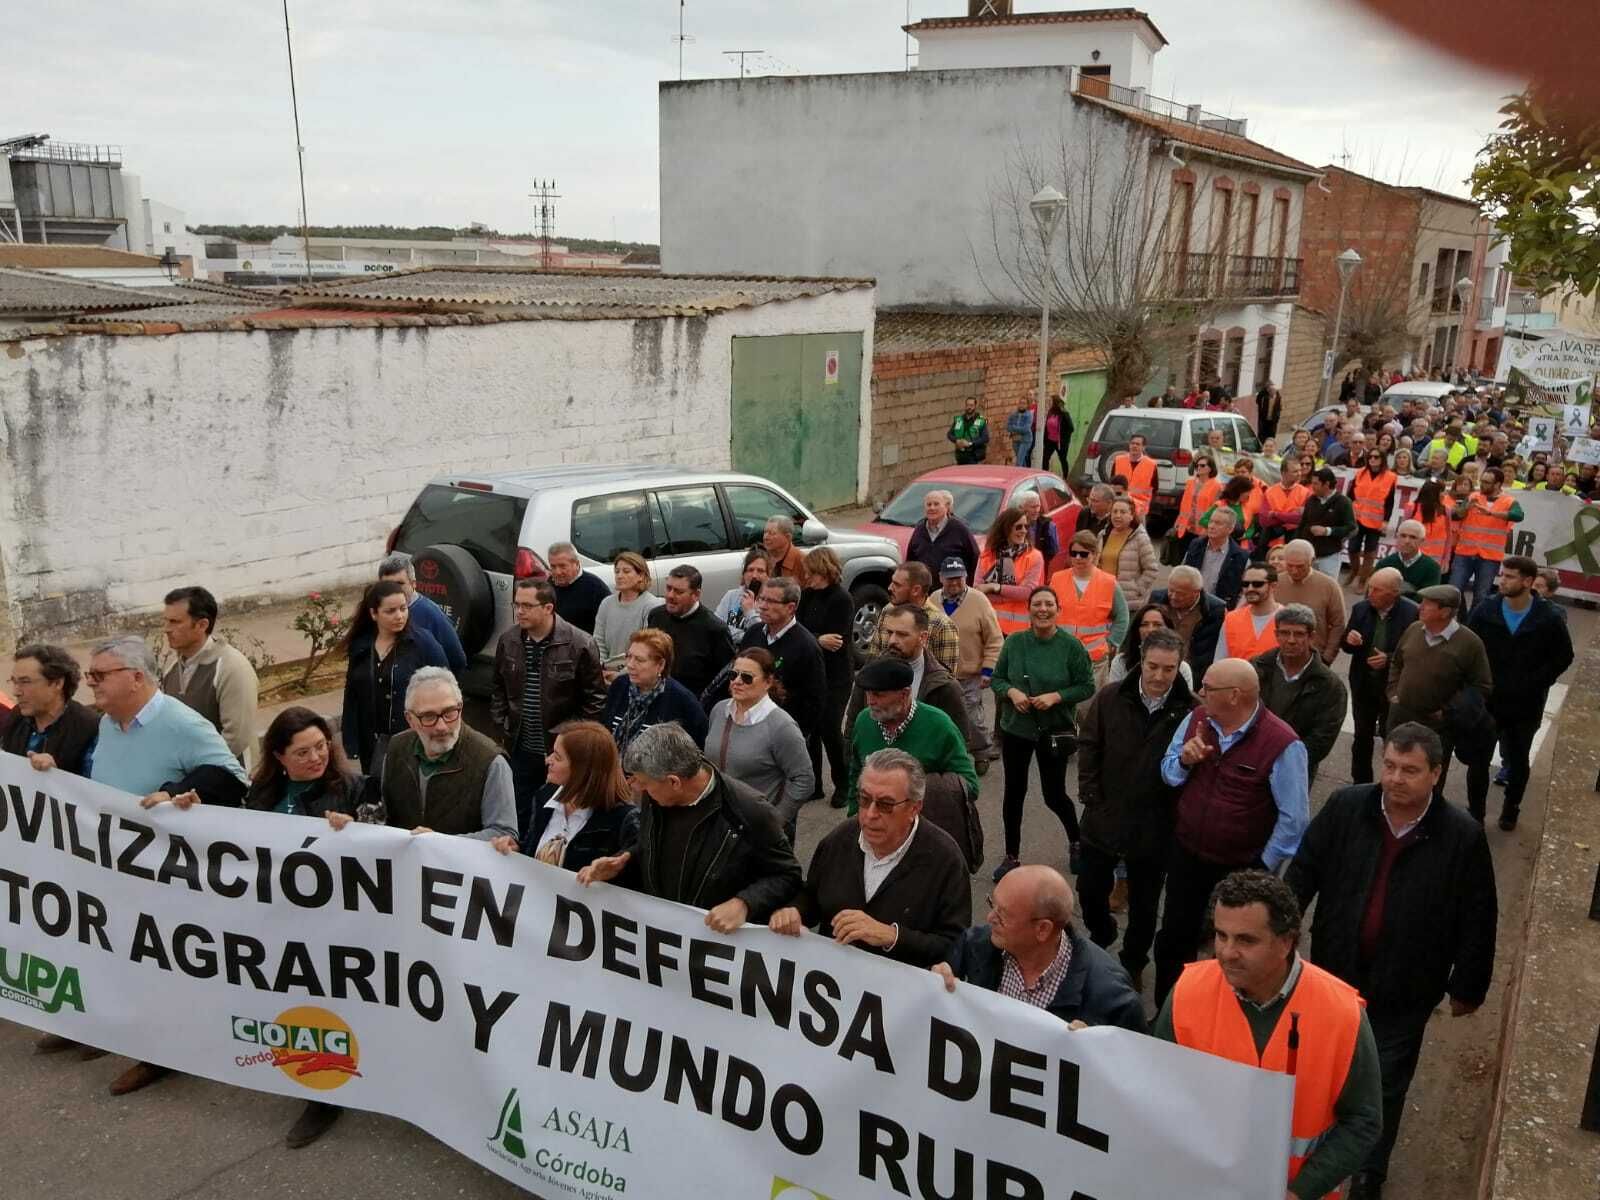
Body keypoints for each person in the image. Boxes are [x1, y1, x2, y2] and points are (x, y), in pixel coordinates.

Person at [1287, 724, 1497, 1200]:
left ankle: (1367, 1175)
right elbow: (1306, 868)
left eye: (1410, 770)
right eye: (1390, 766)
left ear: (1437, 774)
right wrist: (1283, 929)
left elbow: (1478, 917)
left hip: (1405, 988)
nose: (1397, 778)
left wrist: (1468, 986)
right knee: (1326, 1071)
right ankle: (1317, 1157)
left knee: (1382, 1086)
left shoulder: (1460, 837)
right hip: (1336, 977)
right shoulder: (1347, 808)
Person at [80, 636, 248, 1098]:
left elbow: (232, 779)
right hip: (119, 867)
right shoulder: (111, 724)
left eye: (100, 674)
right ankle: (129, 1034)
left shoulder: (180, 723)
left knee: (161, 961)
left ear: (135, 677)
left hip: (169, 872)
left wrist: (175, 790)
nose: (90, 683)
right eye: (89, 675)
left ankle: (163, 1054)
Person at [1156, 871, 1382, 1200]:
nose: (1227, 952)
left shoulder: (1342, 1014)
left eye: (1246, 940)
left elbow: (1364, 1121)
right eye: (1221, 935)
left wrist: (1299, 1191)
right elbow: (1153, 1087)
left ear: (1286, 942)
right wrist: (1096, 1049)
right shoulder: (1187, 993)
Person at [1152, 657, 1309, 1004]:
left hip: (1239, 867)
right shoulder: (1197, 721)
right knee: (1174, 939)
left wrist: (1260, 869)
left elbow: (1293, 819)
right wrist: (1184, 761)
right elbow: (1167, 772)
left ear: (1235, 695)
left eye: (1208, 688)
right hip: (1188, 855)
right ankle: (1170, 1012)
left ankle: (1221, 1017)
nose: (1200, 694)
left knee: (1231, 949)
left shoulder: (1282, 744)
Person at [577, 723, 802, 931]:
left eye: (643, 783)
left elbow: (787, 875)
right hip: (665, 935)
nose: (637, 789)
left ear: (674, 782)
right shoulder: (657, 795)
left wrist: (744, 903)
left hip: (715, 945)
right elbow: (651, 846)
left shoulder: (750, 811)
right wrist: (622, 861)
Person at [769, 749, 971, 966]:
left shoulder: (946, 861)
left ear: (914, 808)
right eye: (864, 800)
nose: (870, 814)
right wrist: (794, 912)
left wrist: (891, 936)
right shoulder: (838, 841)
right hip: (834, 986)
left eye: (885, 805)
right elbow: (812, 897)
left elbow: (955, 947)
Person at [1077, 628, 1194, 991]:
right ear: (1140, 662)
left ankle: (1132, 963)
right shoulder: (1111, 697)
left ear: (1179, 668)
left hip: (1155, 827)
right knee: (1090, 891)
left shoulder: (1190, 712)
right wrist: (1091, 795)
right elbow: (1090, 744)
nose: (1160, 676)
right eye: (1153, 666)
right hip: (1104, 817)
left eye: (1169, 669)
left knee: (1145, 906)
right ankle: (1102, 931)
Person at [933, 865, 1147, 1031]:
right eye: (992, 904)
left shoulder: (1112, 998)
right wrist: (934, 983)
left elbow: (1134, 1073)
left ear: (1043, 929)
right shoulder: (974, 945)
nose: (990, 918)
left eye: (1003, 914)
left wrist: (1096, 1054)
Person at [990, 585, 1097, 881]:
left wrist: (1057, 696)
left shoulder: (1072, 647)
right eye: (1037, 604)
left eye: (1049, 604)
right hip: (1017, 729)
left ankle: (1077, 841)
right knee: (1014, 792)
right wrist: (1011, 692)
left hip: (1054, 730)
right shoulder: (1015, 643)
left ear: (1058, 610)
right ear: (1029, 610)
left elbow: (1087, 686)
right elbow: (997, 678)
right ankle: (1012, 855)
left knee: (1054, 794)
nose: (1043, 609)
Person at [1466, 556, 1574, 830]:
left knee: (1518, 757)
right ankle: (1475, 813)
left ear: (1527, 582)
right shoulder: (1486, 610)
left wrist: (1537, 682)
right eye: (1503, 575)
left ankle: (1511, 807)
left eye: (1510, 576)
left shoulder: (1547, 617)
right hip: (1489, 700)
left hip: (1526, 704)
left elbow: (1563, 656)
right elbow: (1467, 646)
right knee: (1479, 758)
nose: (1503, 580)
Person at [491, 577, 607, 833]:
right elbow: (498, 687)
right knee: (518, 811)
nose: (519, 611)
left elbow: (595, 701)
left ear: (548, 608)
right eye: (516, 605)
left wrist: (568, 740)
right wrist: (502, 723)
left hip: (559, 752)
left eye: (527, 605)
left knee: (553, 812)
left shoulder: (579, 643)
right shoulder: (509, 640)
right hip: (519, 746)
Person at [846, 656, 980, 870]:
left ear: (905, 694)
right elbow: (855, 773)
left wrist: (910, 792)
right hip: (875, 839)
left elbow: (969, 785)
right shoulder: (864, 721)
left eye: (878, 694)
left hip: (922, 844)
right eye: (868, 694)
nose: (870, 701)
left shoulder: (939, 726)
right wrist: (855, 819)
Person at [369, 667, 516, 841]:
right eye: (429, 716)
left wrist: (439, 843)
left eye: (449, 713)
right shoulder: (396, 749)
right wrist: (353, 824)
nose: (442, 726)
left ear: (460, 708)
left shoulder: (491, 762)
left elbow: (503, 834)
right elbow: (382, 816)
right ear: (410, 720)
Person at [1385, 584, 1493, 806]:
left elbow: (1481, 686)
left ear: (1445, 612)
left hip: (1435, 727)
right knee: (1393, 770)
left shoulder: (1469, 643)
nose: (1421, 607)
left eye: (1427, 604)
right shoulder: (1414, 629)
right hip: (1400, 717)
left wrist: (1447, 711)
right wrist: (1393, 692)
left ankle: (1425, 822)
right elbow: (1397, 662)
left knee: (1428, 780)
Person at [490, 720, 638, 871]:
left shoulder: (623, 820)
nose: (548, 760)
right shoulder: (544, 796)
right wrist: (518, 849)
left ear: (582, 770)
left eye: (558, 757)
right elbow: (532, 848)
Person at [340, 579, 449, 777]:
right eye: (390, 611)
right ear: (374, 614)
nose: (399, 616)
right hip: (372, 744)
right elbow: (352, 694)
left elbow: (446, 688)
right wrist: (351, 739)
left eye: (403, 608)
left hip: (413, 741)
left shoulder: (422, 643)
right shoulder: (362, 646)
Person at [705, 649, 813, 835]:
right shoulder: (719, 710)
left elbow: (804, 780)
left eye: (747, 677)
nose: (737, 681)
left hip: (756, 831)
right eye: (733, 675)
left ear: (768, 682)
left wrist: (774, 821)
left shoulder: (781, 726)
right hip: (718, 825)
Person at [844, 603, 973, 751]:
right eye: (889, 632)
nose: (892, 640)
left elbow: (960, 746)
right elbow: (851, 730)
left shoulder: (944, 686)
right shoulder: (869, 674)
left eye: (902, 634)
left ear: (923, 637)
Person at [160, 585, 261, 770]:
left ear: (202, 625)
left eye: (175, 622)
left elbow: (236, 737)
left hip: (231, 776)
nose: (166, 629)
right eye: (166, 621)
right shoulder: (171, 669)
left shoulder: (232, 668)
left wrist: (200, 771)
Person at [1254, 604, 1348, 782]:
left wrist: (1282, 761)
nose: (1291, 640)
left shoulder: (1329, 685)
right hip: (1250, 762)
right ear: (1276, 635)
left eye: (1298, 634)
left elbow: (1322, 739)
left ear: (1311, 636)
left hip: (1296, 770)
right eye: (1284, 633)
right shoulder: (1256, 667)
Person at [1342, 568, 1419, 785]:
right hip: (1363, 684)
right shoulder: (1361, 610)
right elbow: (1345, 646)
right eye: (1370, 588)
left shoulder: (1412, 614)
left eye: (1377, 590)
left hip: (1394, 688)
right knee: (1361, 738)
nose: (1371, 593)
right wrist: (1350, 640)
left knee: (1393, 738)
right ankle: (1361, 784)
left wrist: (1390, 659)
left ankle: (1393, 783)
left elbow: (1416, 653)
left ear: (1394, 593)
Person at [737, 576, 828, 741]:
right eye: (761, 599)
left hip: (784, 736)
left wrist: (794, 737)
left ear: (791, 608)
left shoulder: (807, 647)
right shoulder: (753, 634)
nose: (762, 606)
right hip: (748, 728)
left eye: (771, 601)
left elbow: (814, 702)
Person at [796, 547, 854, 803]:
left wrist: (813, 637)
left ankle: (843, 784)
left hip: (836, 676)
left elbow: (836, 640)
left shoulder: (841, 599)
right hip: (812, 674)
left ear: (825, 571)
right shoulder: (807, 596)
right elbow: (799, 628)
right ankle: (814, 784)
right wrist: (818, 638)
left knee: (831, 730)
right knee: (811, 732)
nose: (808, 577)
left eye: (812, 573)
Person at [936, 556, 1003, 766]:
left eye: (959, 578)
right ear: (940, 578)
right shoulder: (932, 599)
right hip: (940, 674)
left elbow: (994, 639)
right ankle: (951, 755)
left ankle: (981, 751)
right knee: (943, 717)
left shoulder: (979, 601)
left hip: (970, 674)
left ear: (966, 577)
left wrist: (988, 670)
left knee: (971, 716)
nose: (954, 583)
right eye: (949, 578)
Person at [601, 628, 708, 753]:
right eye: (629, 657)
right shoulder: (619, 686)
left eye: (639, 660)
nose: (630, 664)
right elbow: (605, 729)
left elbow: (696, 750)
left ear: (661, 665)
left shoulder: (682, 701)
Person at [4, 643, 98, 775]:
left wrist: (56, 776)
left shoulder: (89, 727)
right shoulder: (15, 718)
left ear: (57, 683)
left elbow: (93, 789)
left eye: (25, 682)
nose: (16, 692)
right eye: (14, 682)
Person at [1049, 530, 1130, 683]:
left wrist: (1111, 642)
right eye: (1074, 553)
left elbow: (1123, 616)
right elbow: (1046, 613)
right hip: (1060, 655)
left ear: (1094, 554)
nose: (1078, 558)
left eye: (1084, 554)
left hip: (1095, 660)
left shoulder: (1109, 583)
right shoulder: (1057, 579)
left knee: (1089, 705)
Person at [645, 564, 734, 701]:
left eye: (679, 592)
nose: (670, 596)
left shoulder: (715, 629)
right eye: (668, 588)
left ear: (696, 595)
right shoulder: (656, 616)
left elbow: (725, 679)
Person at [377, 553, 468, 674]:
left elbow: (457, 661)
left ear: (413, 584)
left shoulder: (432, 615)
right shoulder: (374, 613)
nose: (393, 590)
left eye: (400, 584)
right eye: (387, 585)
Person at [864, 561, 960, 673]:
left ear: (916, 590)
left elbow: (945, 680)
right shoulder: (888, 610)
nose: (890, 588)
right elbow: (873, 659)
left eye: (897, 585)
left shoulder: (941, 625)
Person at [1449, 467, 1522, 609]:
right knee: (1454, 590)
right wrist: (1466, 508)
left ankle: (1473, 625)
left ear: (1497, 485)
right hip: (1465, 552)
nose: (1482, 485)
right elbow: (1456, 515)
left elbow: (1518, 515)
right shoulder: (1473, 497)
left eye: (1487, 482)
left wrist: (1493, 513)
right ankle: (1462, 618)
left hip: (1489, 557)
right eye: (1482, 481)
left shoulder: (1509, 501)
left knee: (1481, 595)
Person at [1274, 539, 1348, 664]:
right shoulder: (1274, 584)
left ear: (1312, 561)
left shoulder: (1329, 586)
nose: (1294, 571)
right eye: (1290, 565)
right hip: (1277, 656)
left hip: (1314, 657)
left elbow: (1338, 624)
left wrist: (1327, 657)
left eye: (1300, 566)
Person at [976, 505, 1045, 637]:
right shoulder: (987, 555)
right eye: (1018, 527)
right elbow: (978, 590)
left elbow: (1027, 592)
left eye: (1026, 526)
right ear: (1005, 528)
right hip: (989, 628)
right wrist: (1010, 594)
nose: (1023, 531)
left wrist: (994, 587)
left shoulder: (1034, 557)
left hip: (1019, 631)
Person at [592, 551, 664, 676]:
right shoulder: (606, 603)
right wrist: (601, 668)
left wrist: (621, 675)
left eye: (626, 571)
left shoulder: (651, 606)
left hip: (637, 675)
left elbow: (648, 649)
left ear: (641, 575)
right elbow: (598, 641)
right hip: (606, 673)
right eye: (617, 571)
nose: (619, 576)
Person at [1150, 565, 1227, 680]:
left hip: (1192, 672)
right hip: (1158, 666)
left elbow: (1207, 653)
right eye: (1171, 590)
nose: (1174, 597)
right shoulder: (1157, 599)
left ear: (1196, 593)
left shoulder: (1215, 610)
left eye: (1181, 593)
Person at [1347, 449, 1400, 588]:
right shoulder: (1360, 473)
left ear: (1382, 459)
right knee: (1353, 548)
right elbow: (1350, 496)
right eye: (1370, 456)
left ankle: (1363, 580)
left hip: (1375, 521)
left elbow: (1390, 502)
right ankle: (1355, 570)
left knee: (1370, 551)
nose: (1372, 459)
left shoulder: (1390, 477)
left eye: (1376, 456)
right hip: (1357, 518)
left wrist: (1386, 521)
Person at [1107, 603, 1194, 687]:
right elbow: (1114, 697)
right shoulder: (1120, 662)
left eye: (1157, 625)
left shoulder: (1182, 668)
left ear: (1169, 629)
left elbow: (1185, 700)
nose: (1150, 629)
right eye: (1144, 624)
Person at [1099, 496, 1159, 608]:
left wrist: (1137, 589)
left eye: (1123, 512)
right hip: (1103, 598)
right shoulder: (1103, 535)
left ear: (1131, 515)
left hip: (1128, 602)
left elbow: (1151, 569)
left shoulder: (1140, 538)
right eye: (1115, 511)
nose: (1117, 515)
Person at [906, 489, 980, 580]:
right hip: (924, 588)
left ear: (946, 507)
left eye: (936, 504)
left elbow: (974, 556)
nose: (932, 508)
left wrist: (965, 583)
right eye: (928, 504)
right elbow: (910, 560)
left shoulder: (959, 528)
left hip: (951, 588)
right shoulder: (919, 529)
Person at [1182, 508, 1249, 608]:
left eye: (1218, 523)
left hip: (1220, 611)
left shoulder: (1241, 556)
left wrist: (1234, 612)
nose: (1212, 526)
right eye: (1211, 521)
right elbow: (1182, 573)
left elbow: (1245, 591)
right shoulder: (1195, 545)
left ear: (1230, 529)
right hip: (1190, 605)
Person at [1297, 467, 1357, 578]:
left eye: (1316, 484)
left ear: (1326, 484)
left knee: (1328, 588)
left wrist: (1328, 531)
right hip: (1309, 555)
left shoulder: (1343, 502)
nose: (1312, 487)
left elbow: (1351, 527)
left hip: (1329, 556)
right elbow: (1303, 523)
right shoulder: (1311, 500)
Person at [1215, 564, 1280, 661]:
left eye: (1257, 584)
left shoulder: (1286, 619)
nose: (1250, 588)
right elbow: (1220, 660)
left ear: (1273, 586)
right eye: (1245, 584)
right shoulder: (1231, 619)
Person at [547, 541, 611, 634]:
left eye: (562, 566)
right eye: (553, 566)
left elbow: (608, 626)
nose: (557, 572)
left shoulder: (595, 588)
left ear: (576, 564)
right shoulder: (548, 585)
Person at [712, 547, 772, 639]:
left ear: (768, 576)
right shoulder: (731, 596)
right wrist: (745, 636)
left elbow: (763, 635)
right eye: (750, 570)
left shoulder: (772, 602)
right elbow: (716, 627)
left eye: (760, 571)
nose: (754, 576)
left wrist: (749, 611)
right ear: (744, 574)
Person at [1256, 455, 1309, 555]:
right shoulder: (1269, 492)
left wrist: (1276, 514)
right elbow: (1264, 520)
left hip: (1293, 544)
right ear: (1283, 473)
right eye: (1295, 471)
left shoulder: (1305, 492)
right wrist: (1290, 516)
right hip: (1270, 543)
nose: (1299, 474)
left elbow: (1302, 519)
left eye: (1299, 471)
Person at [1374, 519, 1443, 596]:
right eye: (1403, 536)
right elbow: (1373, 594)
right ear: (1397, 537)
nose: (1407, 541)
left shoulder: (1432, 568)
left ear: (1422, 541)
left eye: (1413, 537)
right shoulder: (1385, 564)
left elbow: (1427, 599)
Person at [1172, 455, 1221, 555]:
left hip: (1202, 529)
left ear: (1210, 468)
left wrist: (1209, 528)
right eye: (1197, 465)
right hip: (1186, 527)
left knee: (1196, 558)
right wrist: (1178, 521)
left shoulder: (1216, 486)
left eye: (1202, 465)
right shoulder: (1190, 482)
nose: (1199, 467)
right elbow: (1184, 504)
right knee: (1181, 558)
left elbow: (1215, 509)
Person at [1109, 434, 1158, 517]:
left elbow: (1155, 489)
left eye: (1138, 444)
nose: (1134, 446)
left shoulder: (1151, 465)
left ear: (1143, 447)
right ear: (1129, 445)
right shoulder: (1118, 460)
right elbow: (1111, 484)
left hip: (1139, 510)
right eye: (1132, 443)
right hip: (1119, 507)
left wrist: (1146, 508)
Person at [1016, 489, 1059, 566]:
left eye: (1038, 506)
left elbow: (1053, 551)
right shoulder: (1013, 525)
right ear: (1021, 508)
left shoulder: (1048, 525)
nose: (1036, 510)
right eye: (1033, 507)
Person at [762, 515, 807, 580]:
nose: (765, 537)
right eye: (765, 532)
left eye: (772, 533)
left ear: (788, 537)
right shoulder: (761, 557)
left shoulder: (802, 562)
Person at [947, 396, 990, 464]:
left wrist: (970, 443)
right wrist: (957, 440)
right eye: (967, 405)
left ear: (975, 406)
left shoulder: (981, 421)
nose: (969, 407)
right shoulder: (959, 420)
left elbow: (985, 438)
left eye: (971, 405)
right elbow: (949, 434)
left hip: (974, 457)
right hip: (961, 457)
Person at [1041, 394, 1073, 476]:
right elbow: (1047, 426)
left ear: (1055, 402)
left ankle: (1065, 477)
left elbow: (1071, 428)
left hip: (1060, 442)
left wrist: (1063, 438)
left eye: (1051, 401)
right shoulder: (1051, 412)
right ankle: (1045, 475)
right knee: (1045, 458)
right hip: (1050, 441)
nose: (1049, 403)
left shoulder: (1064, 413)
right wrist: (1045, 439)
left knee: (1062, 459)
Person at [1005, 398, 1035, 466]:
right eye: (1020, 403)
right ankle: (1026, 475)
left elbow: (1026, 429)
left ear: (1027, 405)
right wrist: (1015, 429)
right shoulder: (1013, 414)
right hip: (1015, 440)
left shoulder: (1029, 415)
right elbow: (1008, 427)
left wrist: (1014, 429)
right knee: (1022, 461)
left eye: (1024, 403)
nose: (1021, 405)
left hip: (1025, 440)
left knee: (1019, 462)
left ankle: (1016, 476)